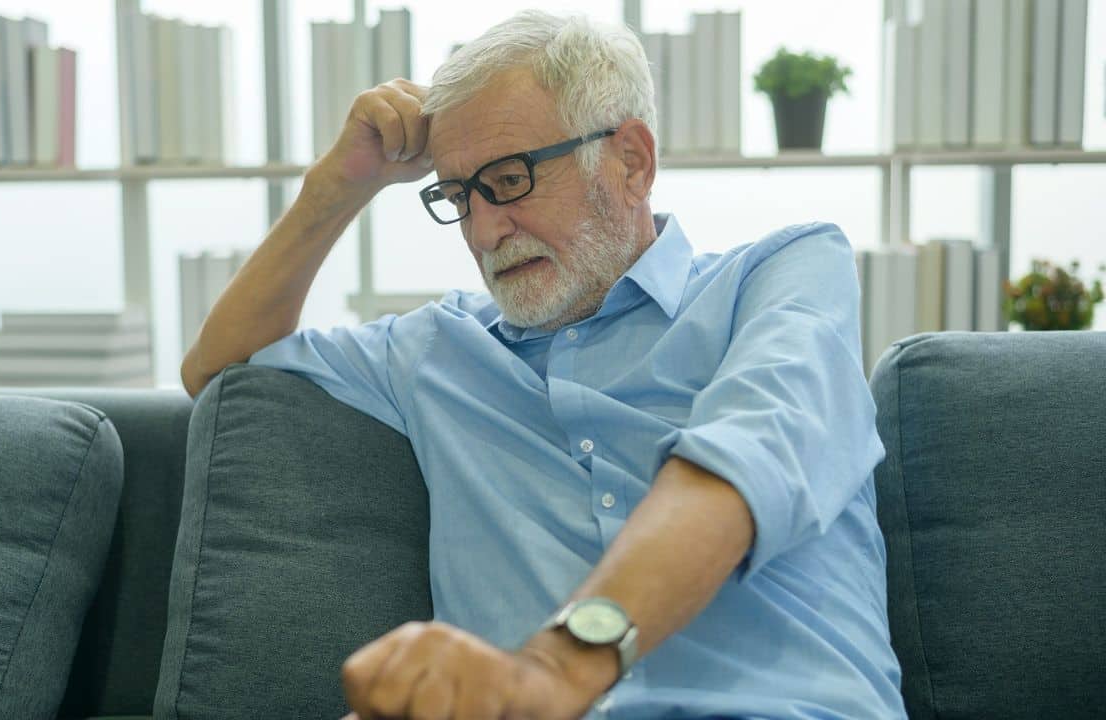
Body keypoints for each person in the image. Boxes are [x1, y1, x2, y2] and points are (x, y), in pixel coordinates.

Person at [181, 10, 905, 720]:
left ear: (632, 161)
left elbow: (747, 460)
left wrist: (553, 671)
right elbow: (218, 370)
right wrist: (338, 185)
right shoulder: (433, 349)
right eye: (457, 196)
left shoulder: (783, 274)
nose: (484, 228)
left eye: (511, 179)